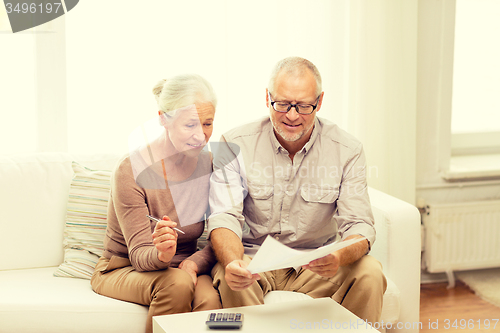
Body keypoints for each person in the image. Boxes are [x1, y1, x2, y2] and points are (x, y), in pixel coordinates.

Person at [208, 57, 387, 324]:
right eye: (282, 104)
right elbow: (224, 217)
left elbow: (360, 225)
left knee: (370, 271)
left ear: (320, 102)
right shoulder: (231, 143)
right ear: (267, 98)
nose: (292, 116)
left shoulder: (348, 149)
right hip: (254, 261)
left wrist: (337, 255)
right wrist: (234, 261)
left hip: (316, 263)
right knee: (229, 274)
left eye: (304, 106)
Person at [90, 74, 221, 333]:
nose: (201, 135)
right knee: (178, 285)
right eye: (190, 124)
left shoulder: (210, 164)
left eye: (207, 124)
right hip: (123, 266)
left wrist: (194, 262)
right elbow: (138, 255)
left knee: (210, 300)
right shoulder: (131, 170)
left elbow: (224, 232)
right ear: (163, 119)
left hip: (184, 265)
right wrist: (163, 254)